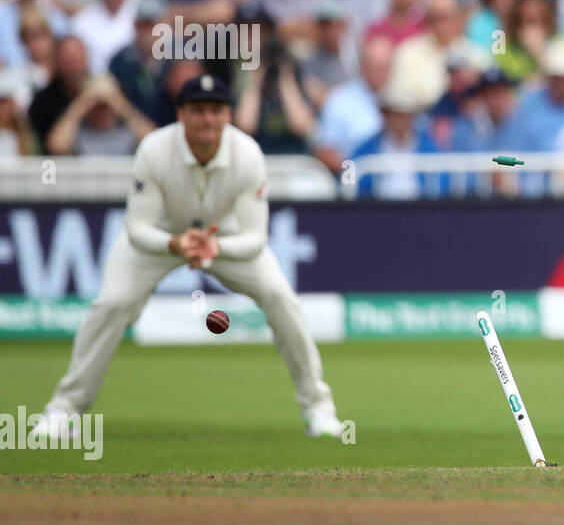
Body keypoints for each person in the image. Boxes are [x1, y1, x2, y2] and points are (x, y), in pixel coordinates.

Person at [32, 74, 345, 439]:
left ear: (228, 115)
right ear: (181, 115)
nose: (208, 119)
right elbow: (137, 228)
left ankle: (319, 410)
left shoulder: (247, 154)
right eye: (198, 111)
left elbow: (255, 238)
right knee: (113, 304)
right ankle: (64, 410)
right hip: (160, 238)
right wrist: (174, 244)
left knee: (281, 297)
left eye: (215, 110)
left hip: (224, 238)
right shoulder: (153, 149)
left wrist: (216, 247)